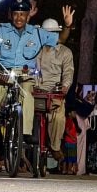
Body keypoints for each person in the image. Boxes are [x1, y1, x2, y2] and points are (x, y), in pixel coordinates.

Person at [0, 0, 74, 146]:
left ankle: (25, 134)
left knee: (28, 97)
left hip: (24, 76)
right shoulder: (2, 30)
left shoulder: (37, 33)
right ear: (11, 15)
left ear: (28, 15)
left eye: (22, 14)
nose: (19, 17)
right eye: (16, 14)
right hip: (3, 73)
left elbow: (61, 39)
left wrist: (68, 25)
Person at [36, 17, 75, 162]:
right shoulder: (36, 49)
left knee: (58, 117)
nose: (49, 36)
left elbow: (68, 72)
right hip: (37, 89)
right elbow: (33, 69)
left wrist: (65, 86)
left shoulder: (65, 52)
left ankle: (55, 146)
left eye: (52, 33)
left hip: (55, 91)